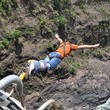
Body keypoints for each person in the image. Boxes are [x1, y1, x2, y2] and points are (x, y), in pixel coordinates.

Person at [25, 33, 100, 77]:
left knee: (44, 64)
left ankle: (32, 68)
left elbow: (59, 39)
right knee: (49, 66)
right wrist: (93, 46)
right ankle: (34, 65)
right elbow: (82, 46)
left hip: (52, 54)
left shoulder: (63, 43)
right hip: (58, 56)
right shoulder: (71, 46)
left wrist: (56, 36)